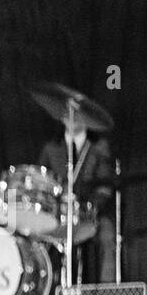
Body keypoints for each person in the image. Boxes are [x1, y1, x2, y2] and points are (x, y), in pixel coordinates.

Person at [37, 120, 116, 283]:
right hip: (58, 213)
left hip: (90, 212)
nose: (71, 119)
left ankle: (108, 293)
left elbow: (105, 187)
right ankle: (46, 287)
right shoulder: (51, 148)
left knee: (107, 236)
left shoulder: (99, 147)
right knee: (35, 232)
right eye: (66, 114)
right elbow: (42, 183)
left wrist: (89, 205)